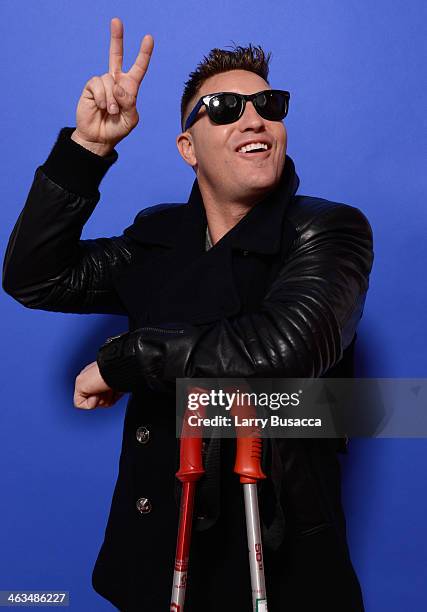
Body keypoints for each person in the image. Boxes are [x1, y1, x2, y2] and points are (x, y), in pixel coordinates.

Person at [2, 16, 374, 612]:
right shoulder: (158, 238)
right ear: (188, 148)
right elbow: (35, 277)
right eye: (223, 108)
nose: (253, 118)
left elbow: (285, 351)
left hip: (275, 558)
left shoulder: (326, 230)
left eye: (268, 104)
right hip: (157, 552)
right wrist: (88, 150)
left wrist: (124, 361)